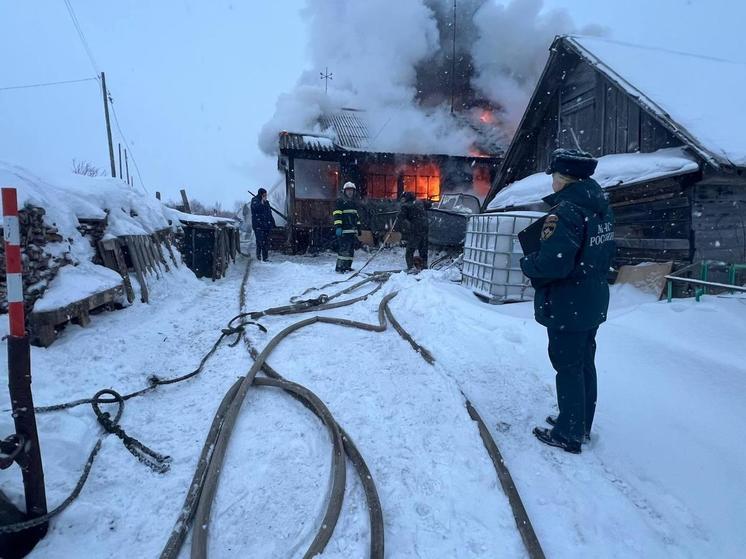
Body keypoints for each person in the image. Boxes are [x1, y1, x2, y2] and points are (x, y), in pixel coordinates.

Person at [520, 148, 615, 454]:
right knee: (584, 362)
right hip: (593, 298)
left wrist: (528, 264)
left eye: (554, 178)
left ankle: (568, 434)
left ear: (563, 179)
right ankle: (579, 422)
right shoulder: (601, 207)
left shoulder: (566, 212)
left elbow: (554, 263)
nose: (552, 184)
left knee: (568, 366)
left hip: (569, 302)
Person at [398, 191, 431, 271]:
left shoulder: (405, 206)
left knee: (410, 250)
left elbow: (401, 218)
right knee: (423, 249)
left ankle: (411, 267)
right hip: (425, 228)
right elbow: (429, 205)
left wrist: (399, 215)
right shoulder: (420, 202)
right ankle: (424, 266)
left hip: (415, 230)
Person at [333, 182, 362, 273]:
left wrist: (359, 228)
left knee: (350, 250)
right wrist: (338, 227)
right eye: (348, 190)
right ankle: (340, 267)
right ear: (344, 191)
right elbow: (337, 215)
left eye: (351, 190)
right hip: (344, 230)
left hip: (352, 231)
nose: (350, 192)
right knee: (344, 250)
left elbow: (356, 217)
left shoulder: (353, 203)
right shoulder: (340, 201)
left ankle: (347, 266)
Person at [250, 188, 275, 261]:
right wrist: (261, 203)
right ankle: (258, 257)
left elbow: (269, 213)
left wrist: (273, 223)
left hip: (266, 225)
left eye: (266, 195)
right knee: (260, 241)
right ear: (261, 194)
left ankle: (265, 258)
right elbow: (256, 209)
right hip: (258, 225)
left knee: (266, 241)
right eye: (264, 195)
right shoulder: (254, 200)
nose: (266, 196)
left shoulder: (266, 202)